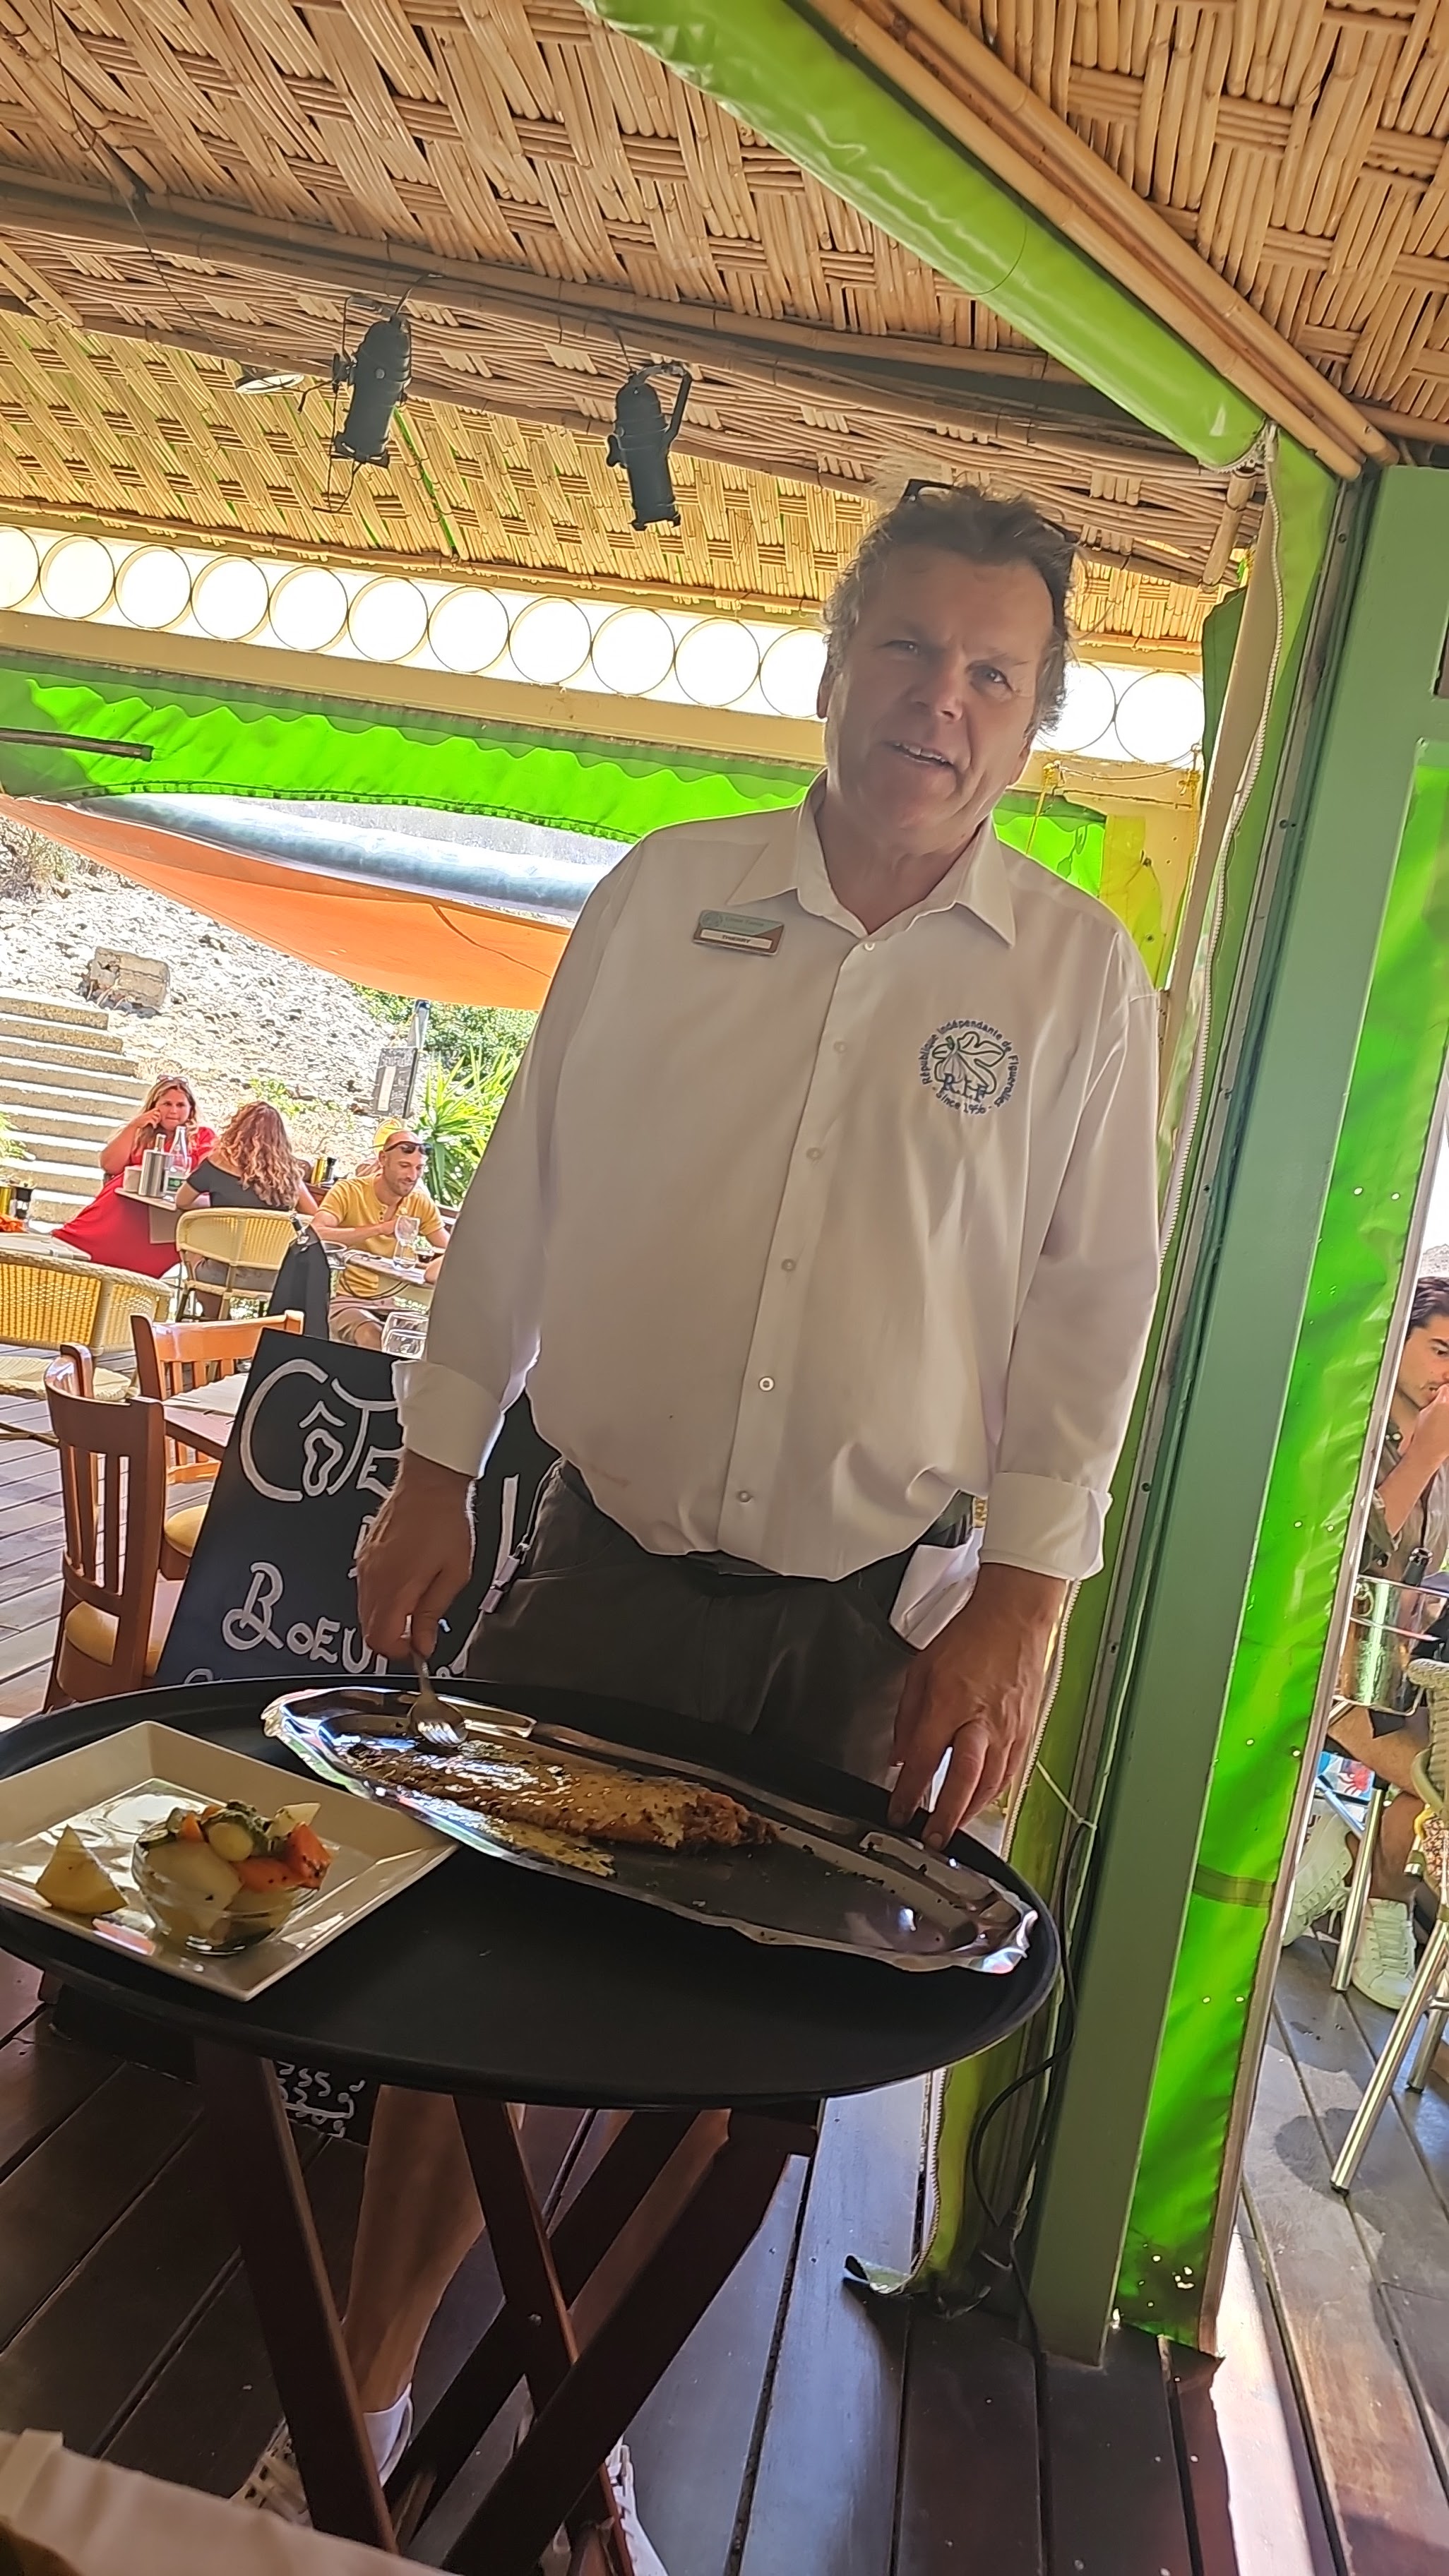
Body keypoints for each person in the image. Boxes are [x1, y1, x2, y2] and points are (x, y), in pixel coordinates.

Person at [240, 484, 1161, 2532]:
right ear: (835, 660)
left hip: (866, 1625)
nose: (940, 701)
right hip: (596, 1565)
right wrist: (430, 1470)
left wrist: (1024, 1603)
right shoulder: (664, 896)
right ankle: (357, 2414)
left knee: (735, 2073)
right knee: (457, 1986)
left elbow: (1094, 1310)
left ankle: (579, 2431)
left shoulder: (1078, 981)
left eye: (991, 673)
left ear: (1033, 720)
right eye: (907, 648)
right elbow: (525, 1187)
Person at [1284, 1273, 1449, 2005]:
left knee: (1437, 1761)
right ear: (1397, 1339)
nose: (1448, 1373)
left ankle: (1359, 1865)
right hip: (1319, 1655)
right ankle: (1373, 1889)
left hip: (1395, 1660)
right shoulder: (1351, 1426)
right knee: (1433, 1777)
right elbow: (1338, 1554)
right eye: (1441, 1350)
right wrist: (1424, 1456)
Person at [53, 1075, 214, 1277]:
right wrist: (134, 1127)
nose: (173, 1111)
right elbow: (110, 1165)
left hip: (170, 1213)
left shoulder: (202, 1136)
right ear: (155, 1106)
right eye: (167, 1104)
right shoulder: (143, 1131)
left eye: (180, 1105)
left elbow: (208, 1175)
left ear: (191, 1109)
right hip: (128, 1206)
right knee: (120, 1185)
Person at [173, 1100, 319, 1312]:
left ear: (236, 1129)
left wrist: (213, 1206)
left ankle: (214, 1316)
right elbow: (314, 1217)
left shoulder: (216, 1164)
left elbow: (182, 1201)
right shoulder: (289, 1176)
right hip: (274, 1276)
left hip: (224, 1274)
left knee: (194, 1248)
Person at [312, 1128, 446, 1349]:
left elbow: (451, 1251)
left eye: (419, 1168)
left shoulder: (420, 1202)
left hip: (389, 1304)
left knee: (433, 1338)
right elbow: (317, 1232)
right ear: (383, 1159)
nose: (412, 1176)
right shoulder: (349, 1191)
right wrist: (380, 1229)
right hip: (342, 1299)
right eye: (404, 1166)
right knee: (373, 1336)